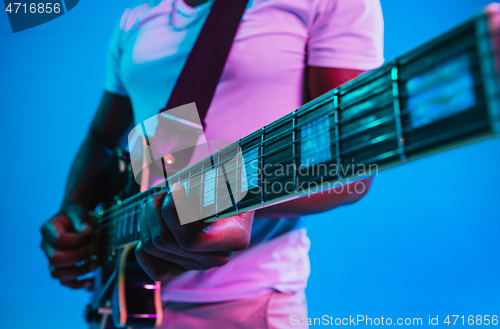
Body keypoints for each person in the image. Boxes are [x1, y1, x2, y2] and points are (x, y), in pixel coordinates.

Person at [41, 0, 386, 327]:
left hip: (249, 300)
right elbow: (102, 141)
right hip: (124, 299)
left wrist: (219, 200)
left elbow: (351, 160)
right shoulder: (137, 15)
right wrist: (74, 210)